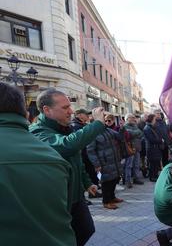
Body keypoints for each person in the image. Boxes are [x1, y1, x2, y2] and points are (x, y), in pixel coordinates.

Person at [0, 82, 76, 245]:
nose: (71, 112)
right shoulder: (50, 150)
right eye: (65, 108)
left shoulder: (59, 141)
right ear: (26, 114)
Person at [29, 88, 106, 246]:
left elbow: (77, 159)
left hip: (76, 197)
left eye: (69, 106)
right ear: (47, 110)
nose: (71, 111)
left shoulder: (64, 128)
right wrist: (97, 123)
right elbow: (67, 146)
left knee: (86, 230)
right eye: (65, 108)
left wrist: (87, 182)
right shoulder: (37, 132)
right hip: (59, 201)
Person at [87, 116, 124, 209]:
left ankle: (112, 197)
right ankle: (106, 201)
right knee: (106, 182)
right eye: (104, 120)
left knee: (115, 179)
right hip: (103, 162)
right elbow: (90, 150)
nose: (106, 122)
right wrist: (97, 164)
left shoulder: (108, 130)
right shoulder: (93, 134)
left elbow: (120, 137)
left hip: (114, 160)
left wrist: (122, 128)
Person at [71, 109, 102, 201]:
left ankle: (93, 192)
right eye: (86, 114)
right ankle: (82, 197)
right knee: (81, 176)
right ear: (79, 115)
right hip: (82, 155)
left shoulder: (83, 125)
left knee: (91, 173)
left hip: (87, 154)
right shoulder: (75, 126)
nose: (88, 116)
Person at [124, 113, 145, 188]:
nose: (134, 119)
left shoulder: (135, 126)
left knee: (137, 164)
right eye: (131, 117)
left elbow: (141, 134)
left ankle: (136, 178)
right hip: (130, 148)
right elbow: (130, 134)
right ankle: (128, 180)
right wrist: (135, 133)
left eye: (134, 117)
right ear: (127, 119)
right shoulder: (125, 126)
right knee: (129, 165)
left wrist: (135, 133)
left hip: (137, 148)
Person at [144, 113, 163, 182]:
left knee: (156, 163)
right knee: (152, 164)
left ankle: (155, 175)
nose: (156, 121)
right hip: (151, 148)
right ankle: (152, 177)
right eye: (154, 119)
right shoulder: (147, 128)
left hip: (155, 148)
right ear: (151, 119)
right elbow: (151, 139)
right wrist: (160, 141)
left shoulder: (152, 127)